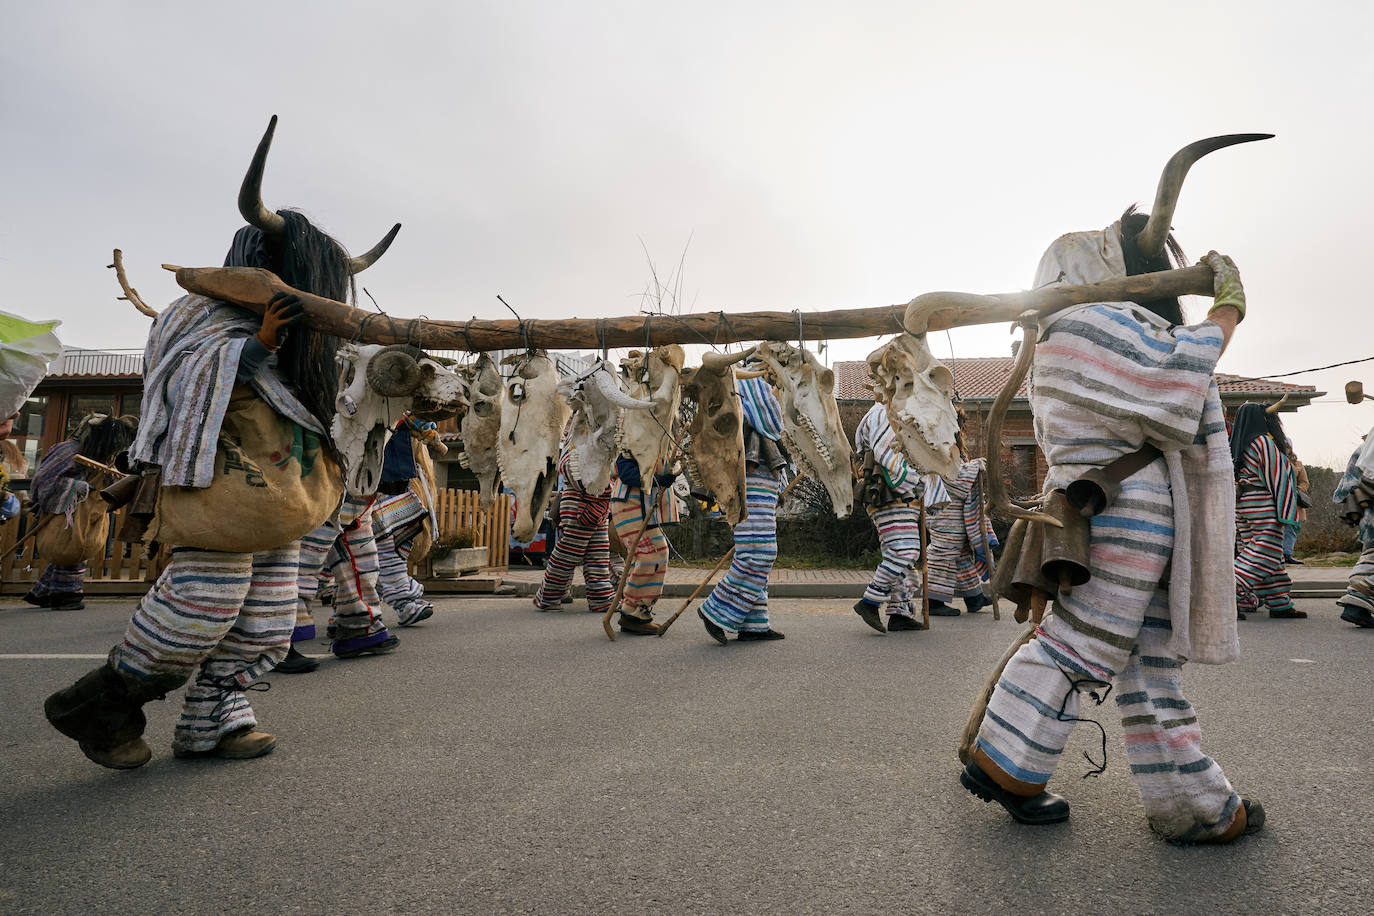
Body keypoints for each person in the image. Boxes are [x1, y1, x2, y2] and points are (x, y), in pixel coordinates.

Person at [43, 117, 395, 768]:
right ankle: (98, 703)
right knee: (202, 606)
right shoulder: (198, 313)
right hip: (215, 481)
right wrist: (257, 345)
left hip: (282, 490)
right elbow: (181, 372)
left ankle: (216, 718)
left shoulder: (299, 334)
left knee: (267, 617)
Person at [960, 163, 1265, 842]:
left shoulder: (1059, 334)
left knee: (1145, 658)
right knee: (1086, 645)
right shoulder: (1084, 327)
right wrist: (1228, 308)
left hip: (1123, 505)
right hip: (1124, 509)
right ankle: (1006, 762)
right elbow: (1175, 373)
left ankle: (1193, 805)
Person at [696, 369, 789, 644]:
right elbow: (771, 424)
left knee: (754, 549)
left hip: (752, 476)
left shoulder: (734, 385)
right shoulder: (749, 382)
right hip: (753, 477)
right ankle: (716, 611)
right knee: (759, 552)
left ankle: (754, 624)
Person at [24, 414, 139, 611]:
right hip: (66, 513)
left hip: (91, 511)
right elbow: (44, 480)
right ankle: (66, 594)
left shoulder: (105, 457)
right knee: (70, 545)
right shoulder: (67, 451)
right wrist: (77, 487)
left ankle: (44, 592)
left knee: (80, 545)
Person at [851, 402, 926, 634]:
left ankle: (899, 612)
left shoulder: (888, 411)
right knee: (906, 551)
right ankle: (869, 601)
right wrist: (916, 479)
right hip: (891, 492)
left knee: (900, 554)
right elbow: (886, 451)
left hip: (894, 494)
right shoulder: (886, 412)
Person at [1231, 402, 1302, 619]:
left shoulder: (1236, 443)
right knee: (1267, 549)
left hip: (1242, 502)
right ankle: (1228, 587)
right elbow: (1278, 473)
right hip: (1262, 500)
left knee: (1259, 548)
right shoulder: (1263, 442)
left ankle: (1280, 602)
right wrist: (1285, 508)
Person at [609, 443, 680, 636]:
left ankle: (632, 611)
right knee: (652, 555)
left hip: (640, 505)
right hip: (629, 503)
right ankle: (634, 612)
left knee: (648, 555)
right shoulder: (634, 436)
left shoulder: (655, 436)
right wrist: (657, 479)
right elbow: (627, 472)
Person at [535, 445, 615, 614]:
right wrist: (604, 487)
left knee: (598, 553)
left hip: (597, 508)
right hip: (580, 506)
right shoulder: (577, 445)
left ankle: (601, 598)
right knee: (567, 554)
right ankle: (548, 596)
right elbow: (571, 470)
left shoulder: (601, 445)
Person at [925, 456, 997, 617]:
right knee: (943, 555)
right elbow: (957, 480)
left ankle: (974, 598)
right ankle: (933, 602)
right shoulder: (937, 458)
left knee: (962, 556)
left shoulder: (942, 456)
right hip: (946, 518)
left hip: (951, 516)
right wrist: (974, 466)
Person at [1333, 436, 1374, 627]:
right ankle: (1366, 588)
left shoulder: (1365, 445)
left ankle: (1356, 607)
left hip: (1368, 514)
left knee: (1370, 555)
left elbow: (1348, 480)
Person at [1284, 447, 1309, 563]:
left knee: (1291, 527)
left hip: (1294, 501)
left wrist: (1296, 490)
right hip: (1277, 500)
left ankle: (1287, 554)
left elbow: (1304, 482)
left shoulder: (1298, 464)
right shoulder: (1274, 459)